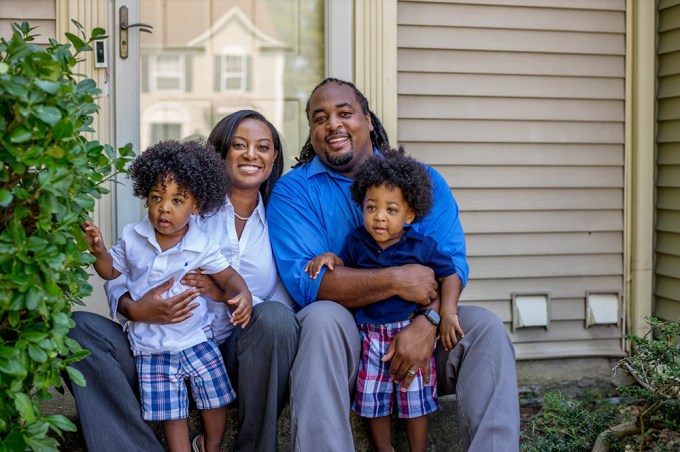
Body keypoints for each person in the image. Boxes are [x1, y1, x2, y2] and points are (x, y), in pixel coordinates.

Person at [267, 78, 520, 451]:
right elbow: (315, 285)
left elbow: (452, 267)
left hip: (419, 334)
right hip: (348, 345)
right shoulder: (294, 191)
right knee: (321, 319)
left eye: (345, 113)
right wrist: (399, 279)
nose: (332, 124)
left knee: (486, 329)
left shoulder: (423, 182)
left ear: (368, 120)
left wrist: (428, 322)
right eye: (319, 118)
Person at [68, 110, 300, 452]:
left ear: (274, 156)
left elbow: (279, 306)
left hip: (233, 357)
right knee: (77, 328)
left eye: (263, 147)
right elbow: (130, 267)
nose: (252, 154)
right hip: (156, 348)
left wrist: (224, 294)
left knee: (277, 319)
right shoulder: (177, 207)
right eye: (239, 145)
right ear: (219, 154)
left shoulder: (281, 218)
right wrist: (136, 309)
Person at [82, 140, 251, 452]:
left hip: (197, 339)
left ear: (196, 206)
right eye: (156, 197)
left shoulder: (202, 243)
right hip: (152, 348)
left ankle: (210, 445)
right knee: (172, 414)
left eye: (177, 200)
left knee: (215, 401)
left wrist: (243, 294)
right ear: (145, 196)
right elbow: (111, 272)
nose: (164, 207)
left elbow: (227, 276)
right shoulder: (133, 236)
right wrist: (99, 252)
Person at [304, 147, 464, 452]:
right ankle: (384, 448)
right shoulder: (357, 242)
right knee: (372, 398)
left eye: (391, 210)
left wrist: (448, 311)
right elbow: (344, 268)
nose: (379, 217)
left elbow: (451, 274)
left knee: (414, 398)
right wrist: (329, 257)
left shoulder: (422, 246)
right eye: (371, 207)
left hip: (410, 330)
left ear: (410, 214)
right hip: (370, 336)